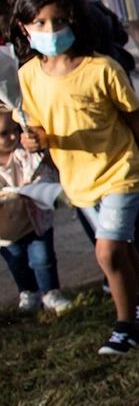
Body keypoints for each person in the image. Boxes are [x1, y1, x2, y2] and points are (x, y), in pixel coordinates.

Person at [15, 0, 139, 355]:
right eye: (41, 23)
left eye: (60, 21)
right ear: (23, 28)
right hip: (78, 180)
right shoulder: (28, 76)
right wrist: (32, 140)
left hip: (120, 171)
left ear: (74, 21)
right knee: (120, 245)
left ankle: (125, 326)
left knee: (106, 250)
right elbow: (37, 127)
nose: (51, 31)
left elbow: (136, 122)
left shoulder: (102, 69)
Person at [0, 106, 70, 314]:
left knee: (43, 257)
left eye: (16, 129)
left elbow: (44, 173)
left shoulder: (26, 154)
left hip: (35, 220)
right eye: (4, 133)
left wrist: (35, 188)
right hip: (5, 229)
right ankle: (29, 291)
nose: (13, 136)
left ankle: (51, 292)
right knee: (16, 261)